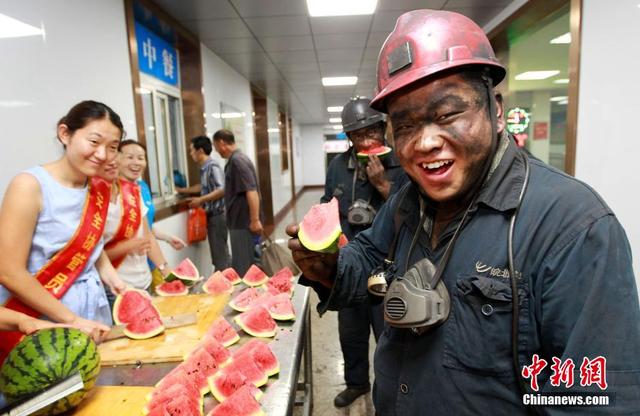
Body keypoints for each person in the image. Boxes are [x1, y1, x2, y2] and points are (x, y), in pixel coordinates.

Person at [288, 10, 640, 415]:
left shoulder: (574, 229)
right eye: (404, 126)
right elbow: (367, 256)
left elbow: (596, 403)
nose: (425, 142)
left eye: (447, 114)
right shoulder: (408, 198)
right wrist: (328, 267)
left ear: (495, 109)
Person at [0, 100, 127, 363]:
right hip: (43, 317)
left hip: (93, 311)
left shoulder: (97, 187)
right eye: (94, 141)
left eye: (112, 147)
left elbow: (91, 247)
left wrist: (115, 281)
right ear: (65, 134)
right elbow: (8, 271)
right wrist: (70, 319)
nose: (102, 154)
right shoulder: (29, 185)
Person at [325, 97, 408, 407]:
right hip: (350, 263)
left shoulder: (402, 161)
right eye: (359, 135)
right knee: (351, 332)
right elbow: (327, 205)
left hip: (389, 264)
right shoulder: (336, 166)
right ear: (349, 138)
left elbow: (411, 212)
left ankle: (391, 393)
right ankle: (356, 383)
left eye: (372, 131)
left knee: (389, 335)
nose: (367, 140)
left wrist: (382, 184)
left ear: (382, 127)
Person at [101, 140, 171, 301]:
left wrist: (166, 270)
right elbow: (94, 256)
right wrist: (128, 246)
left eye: (140, 158)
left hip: (144, 282)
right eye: (130, 157)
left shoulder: (134, 191)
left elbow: (148, 237)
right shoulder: (94, 198)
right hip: (117, 288)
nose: (136, 163)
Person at [212, 129, 263, 276]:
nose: (216, 150)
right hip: (239, 222)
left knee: (244, 268)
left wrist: (254, 220)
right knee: (246, 264)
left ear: (222, 143)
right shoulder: (236, 160)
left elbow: (251, 191)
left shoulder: (237, 161)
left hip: (243, 223)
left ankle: (250, 297)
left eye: (216, 146)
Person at [177, 135, 230, 272]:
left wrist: (201, 200)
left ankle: (225, 283)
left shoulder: (212, 166)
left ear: (200, 151)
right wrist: (183, 190)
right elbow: (203, 186)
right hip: (212, 216)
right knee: (220, 252)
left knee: (219, 255)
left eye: (191, 150)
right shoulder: (205, 168)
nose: (190, 154)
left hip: (218, 215)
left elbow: (222, 189)